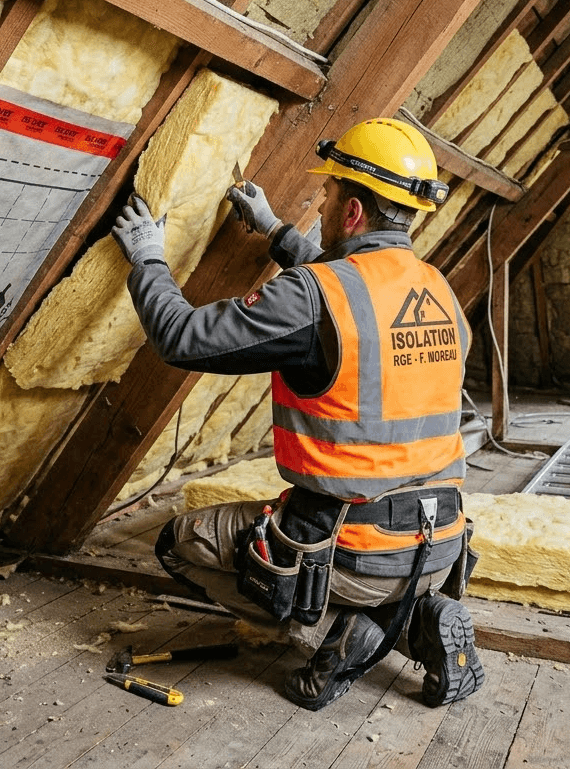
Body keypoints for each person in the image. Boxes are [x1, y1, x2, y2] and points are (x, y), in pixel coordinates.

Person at [111, 117, 483, 711]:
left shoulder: (316, 295)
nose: (327, 206)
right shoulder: (438, 292)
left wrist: (148, 260)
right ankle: (414, 614)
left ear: (353, 212)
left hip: (352, 545)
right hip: (439, 542)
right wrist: (273, 230)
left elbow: (182, 336)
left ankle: (346, 632)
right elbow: (350, 295)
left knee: (179, 544)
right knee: (379, 558)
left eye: (331, 196)